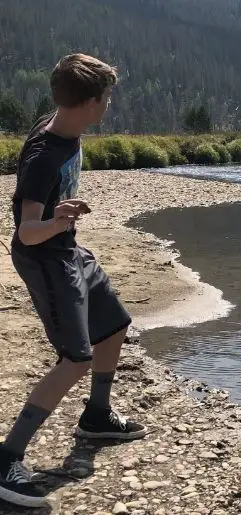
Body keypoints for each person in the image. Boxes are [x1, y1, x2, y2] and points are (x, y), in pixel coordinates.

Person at [1, 54, 146, 508]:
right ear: (87, 101)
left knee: (114, 324)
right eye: (105, 98)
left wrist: (62, 220)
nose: (108, 106)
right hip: (45, 256)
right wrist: (58, 220)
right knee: (76, 357)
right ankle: (7, 458)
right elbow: (26, 231)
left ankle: (97, 415)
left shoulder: (65, 125)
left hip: (67, 249)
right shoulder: (46, 155)